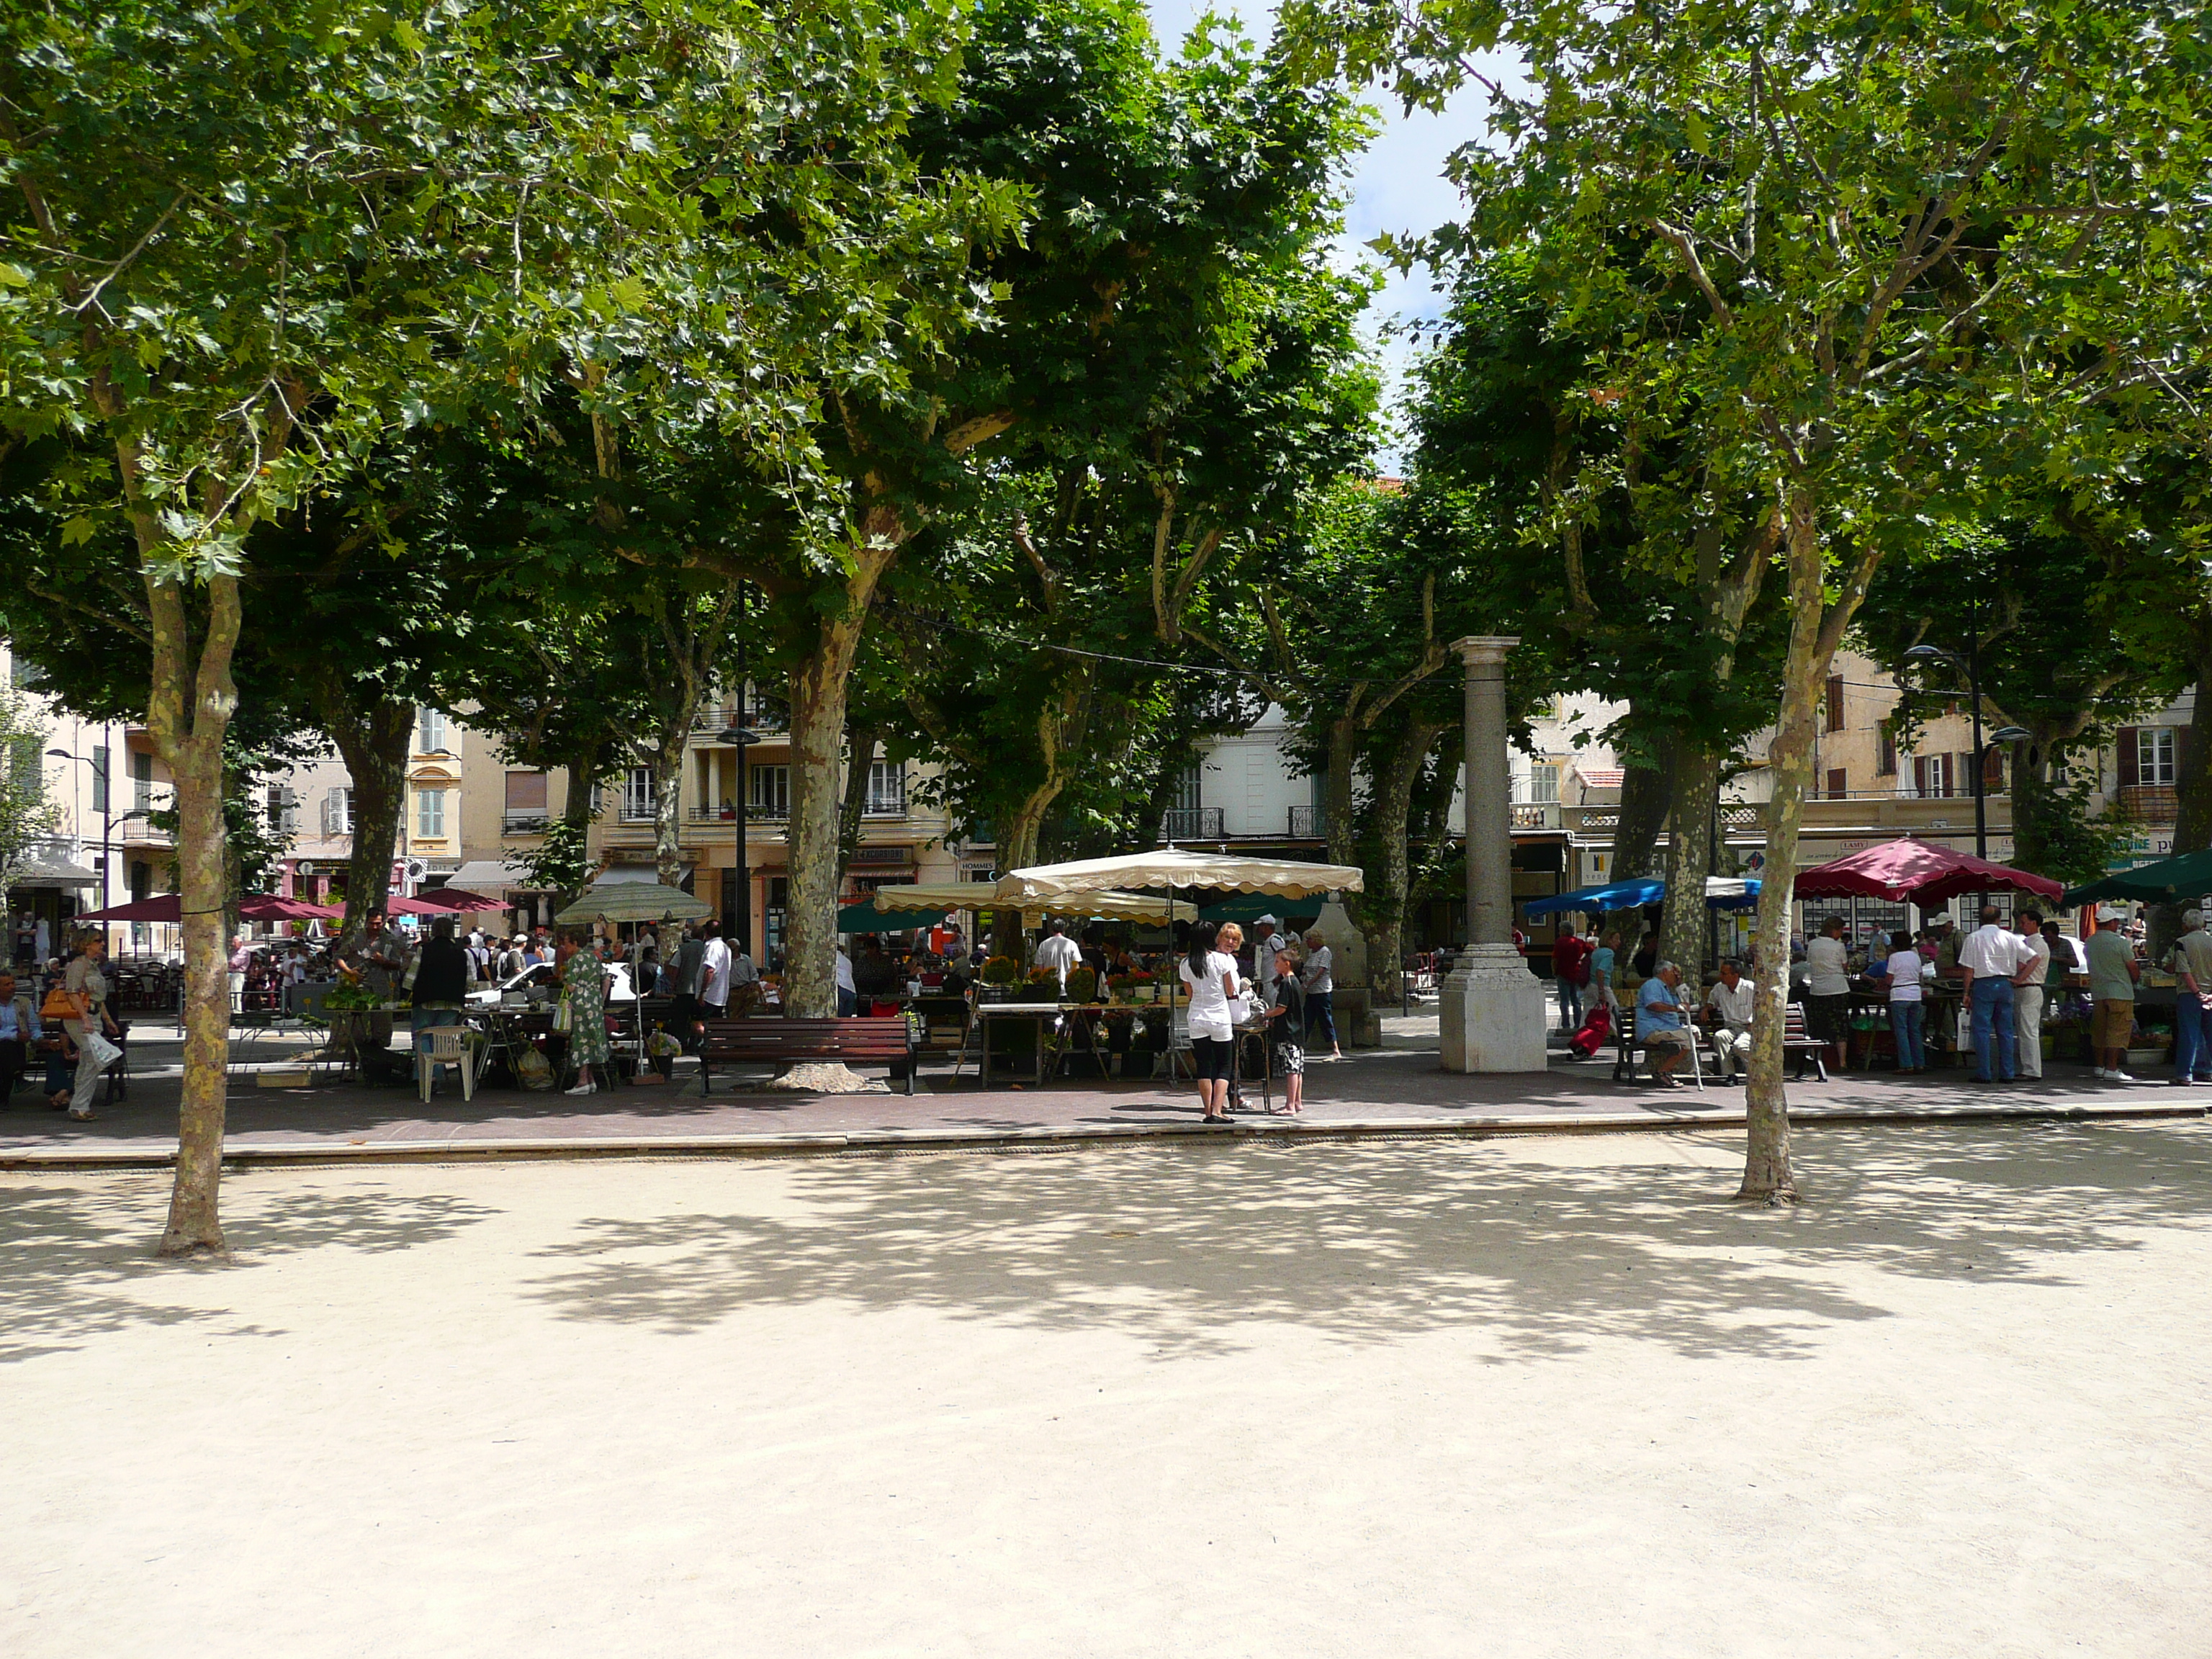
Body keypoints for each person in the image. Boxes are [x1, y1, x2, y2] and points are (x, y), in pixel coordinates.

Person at [1958, 904, 2035, 1084]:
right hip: (2005, 984)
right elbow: (2034, 958)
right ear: (1999, 919)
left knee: (1982, 1030)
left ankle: (1985, 1072)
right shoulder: (2009, 937)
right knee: (2006, 1030)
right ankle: (2007, 1072)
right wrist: (2019, 978)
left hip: (1983, 984)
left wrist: (1966, 992)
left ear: (1980, 919)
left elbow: (1968, 969)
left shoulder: (1974, 938)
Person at [1178, 920, 1240, 1125]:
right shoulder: (1221, 960)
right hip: (1219, 1017)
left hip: (1196, 1017)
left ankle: (1207, 1111)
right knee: (1224, 1065)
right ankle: (1217, 1110)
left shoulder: (1186, 964)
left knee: (1203, 1064)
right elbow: (1230, 991)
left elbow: (1190, 994)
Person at [59, 932, 120, 1121]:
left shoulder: (93, 966)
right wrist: (85, 1018)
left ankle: (78, 1105)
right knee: (94, 1059)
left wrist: (108, 1021)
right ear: (86, 944)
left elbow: (98, 998)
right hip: (79, 1019)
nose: (102, 944)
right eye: (98, 941)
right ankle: (79, 1105)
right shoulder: (79, 965)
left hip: (92, 1018)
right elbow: (72, 993)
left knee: (89, 1061)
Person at [409, 916, 472, 1095]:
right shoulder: (461, 952)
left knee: (422, 1036)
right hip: (452, 1001)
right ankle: (435, 1077)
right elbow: (470, 980)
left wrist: (405, 992)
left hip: (426, 999)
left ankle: (427, 1077)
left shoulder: (425, 949)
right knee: (442, 1039)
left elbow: (411, 977)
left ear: (433, 931)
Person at [2085, 905, 2140, 1080]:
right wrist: (2136, 979)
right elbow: (2133, 968)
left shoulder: (2090, 942)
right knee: (2117, 1031)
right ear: (2112, 923)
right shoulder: (2120, 942)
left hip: (2099, 991)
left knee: (2100, 1030)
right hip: (2120, 991)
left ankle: (2099, 1067)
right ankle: (2112, 1068)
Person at [556, 931, 610, 1096]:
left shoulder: (575, 960)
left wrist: (563, 978)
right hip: (594, 1004)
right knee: (594, 1039)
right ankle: (591, 1079)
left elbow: (571, 987)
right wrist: (600, 999)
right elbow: (606, 979)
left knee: (581, 1040)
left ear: (575, 943)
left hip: (580, 1004)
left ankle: (582, 1081)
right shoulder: (594, 958)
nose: (565, 947)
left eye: (567, 943)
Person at [2167, 907, 2212, 1085]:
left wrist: (2197, 993)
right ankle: (2208, 1070)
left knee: (2189, 1034)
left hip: (2189, 994)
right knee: (2210, 1034)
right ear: (2203, 923)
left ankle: (2185, 1073)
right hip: (2210, 994)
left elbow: (2184, 970)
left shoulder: (2182, 943)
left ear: (2185, 926)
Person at [1877, 928, 1930, 1073]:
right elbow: (1920, 976)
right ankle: (1920, 1062)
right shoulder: (1915, 956)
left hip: (1899, 994)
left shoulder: (1894, 958)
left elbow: (1889, 979)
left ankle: (1906, 1064)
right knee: (1915, 1030)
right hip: (1915, 994)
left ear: (1894, 945)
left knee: (1901, 1031)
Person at [1263, 943, 1307, 1114]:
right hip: (1297, 1030)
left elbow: (1282, 1008)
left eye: (1277, 962)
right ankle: (1297, 1101)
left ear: (1287, 963)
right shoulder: (1295, 981)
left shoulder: (1286, 983)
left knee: (1291, 1069)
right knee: (1297, 1068)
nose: (1275, 965)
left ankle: (1290, 1105)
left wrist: (1268, 1014)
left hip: (1288, 1031)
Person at [1804, 917, 1852, 1070]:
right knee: (1840, 1025)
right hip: (1838, 987)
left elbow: (1810, 963)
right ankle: (1842, 1061)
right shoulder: (1838, 946)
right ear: (1834, 930)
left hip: (1818, 989)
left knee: (1818, 1025)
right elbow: (1844, 966)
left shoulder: (1812, 944)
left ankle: (1817, 1059)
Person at [1637, 960, 1693, 1087]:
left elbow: (1682, 1003)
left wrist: (1679, 985)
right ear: (1665, 972)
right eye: (1674, 972)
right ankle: (1663, 1071)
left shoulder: (1667, 989)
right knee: (1687, 1038)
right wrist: (1675, 1008)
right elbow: (1653, 1005)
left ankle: (1666, 1067)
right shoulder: (1652, 985)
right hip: (1653, 1029)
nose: (1676, 975)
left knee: (1693, 1034)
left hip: (1669, 1028)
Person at [2013, 908, 2051, 1081]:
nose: (2022, 926)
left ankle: (2032, 1070)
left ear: (2034, 923)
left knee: (2029, 1030)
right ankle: (2028, 1067)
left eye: (2024, 922)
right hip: (2025, 988)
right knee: (2024, 1030)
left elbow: (2029, 964)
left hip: (2031, 987)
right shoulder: (2029, 942)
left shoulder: (2038, 944)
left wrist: (2018, 978)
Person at [1702, 958, 1755, 1082]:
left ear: (1735, 975)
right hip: (1730, 1027)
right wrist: (1705, 1009)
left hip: (1748, 1028)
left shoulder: (1750, 988)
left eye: (1724, 974)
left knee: (1740, 1046)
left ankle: (1755, 1071)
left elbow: (1762, 1008)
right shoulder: (1719, 988)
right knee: (1720, 1037)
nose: (1721, 976)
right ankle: (1730, 1075)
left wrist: (1755, 1023)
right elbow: (1712, 1003)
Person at [0, 969, 42, 1102]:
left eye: (13, 983)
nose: (12, 987)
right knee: (6, 1047)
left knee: (8, 1050)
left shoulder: (23, 1002)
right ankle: (18, 1079)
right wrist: (13, 1036)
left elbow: (34, 1026)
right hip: (8, 1044)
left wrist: (39, 1038)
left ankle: (4, 1097)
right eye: (7, 985)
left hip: (19, 1047)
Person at [1300, 930, 1341, 1060]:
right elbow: (1308, 969)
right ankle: (1300, 1048)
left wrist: (1308, 984)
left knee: (1325, 1020)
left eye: (1309, 939)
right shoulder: (1311, 953)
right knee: (1307, 1019)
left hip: (1322, 992)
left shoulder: (1325, 952)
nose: (1307, 942)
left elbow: (1321, 971)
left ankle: (1336, 1050)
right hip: (1312, 992)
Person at [1552, 925, 1588, 1031]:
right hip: (1576, 973)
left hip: (1563, 973)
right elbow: (1591, 949)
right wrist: (1583, 962)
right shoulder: (1578, 942)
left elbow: (1555, 959)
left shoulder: (1560, 942)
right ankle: (1578, 1024)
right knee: (1576, 1001)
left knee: (1564, 1001)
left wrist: (1554, 971)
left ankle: (1566, 1024)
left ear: (1563, 931)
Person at [1032, 919, 1082, 990]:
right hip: (1067, 988)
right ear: (1065, 929)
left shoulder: (1044, 945)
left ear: (1051, 929)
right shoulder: (1072, 945)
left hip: (1048, 988)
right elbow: (1076, 969)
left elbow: (1039, 969)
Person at [698, 920, 732, 1020]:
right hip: (720, 995)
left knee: (699, 1025)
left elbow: (710, 971)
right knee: (715, 1024)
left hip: (710, 995)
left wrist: (702, 992)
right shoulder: (725, 947)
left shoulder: (713, 947)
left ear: (706, 932)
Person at [1590, 930, 1621, 1010]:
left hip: (1590, 986)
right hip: (1603, 986)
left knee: (1588, 1013)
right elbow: (1600, 971)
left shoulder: (1596, 951)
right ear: (1609, 940)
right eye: (1616, 939)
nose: (1619, 942)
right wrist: (1601, 992)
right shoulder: (1609, 953)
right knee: (1613, 1010)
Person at [835, 942, 856, 1017]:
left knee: (838, 1018)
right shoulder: (848, 961)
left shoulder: (833, 958)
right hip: (851, 990)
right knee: (846, 1020)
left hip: (840, 987)